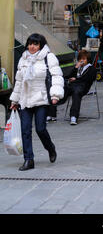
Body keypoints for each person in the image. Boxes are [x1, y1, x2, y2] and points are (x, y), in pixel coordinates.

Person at [9, 33, 64, 171]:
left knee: (40, 128)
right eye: (30, 44)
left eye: (35, 44)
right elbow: (19, 81)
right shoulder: (23, 59)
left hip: (42, 98)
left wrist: (55, 95)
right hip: (25, 99)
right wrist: (15, 100)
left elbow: (56, 76)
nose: (32, 47)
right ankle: (29, 160)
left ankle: (50, 148)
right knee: (25, 130)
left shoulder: (48, 57)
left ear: (41, 45)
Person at [58, 50, 97, 125]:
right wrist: (76, 67)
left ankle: (73, 116)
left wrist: (76, 79)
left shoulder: (91, 68)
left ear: (87, 60)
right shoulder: (78, 68)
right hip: (73, 86)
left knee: (76, 92)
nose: (82, 60)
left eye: (84, 59)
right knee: (60, 90)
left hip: (83, 87)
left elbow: (89, 78)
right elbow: (69, 76)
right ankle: (52, 111)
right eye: (80, 59)